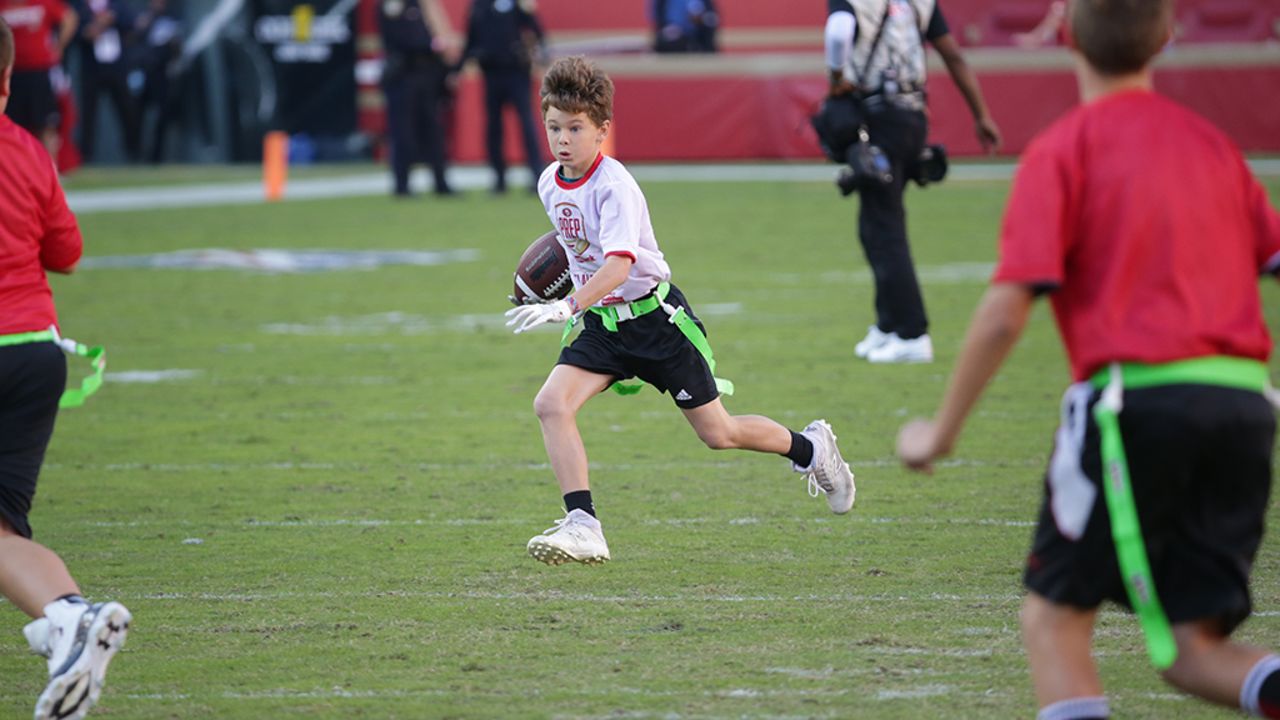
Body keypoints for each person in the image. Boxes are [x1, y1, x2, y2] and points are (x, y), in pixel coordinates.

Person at [896, 0, 1280, 717]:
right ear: (1165, 36)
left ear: (1065, 33)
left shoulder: (1065, 148)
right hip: (1246, 404)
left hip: (1137, 404)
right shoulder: (1211, 145)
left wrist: (939, 433)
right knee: (1192, 650)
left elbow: (1007, 310)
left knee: (1054, 619)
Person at [504, 56, 856, 566]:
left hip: (655, 321)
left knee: (719, 433)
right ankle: (584, 525)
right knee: (551, 405)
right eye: (554, 126)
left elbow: (619, 265)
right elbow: (575, 249)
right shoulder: (549, 183)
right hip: (603, 324)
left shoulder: (614, 186)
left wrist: (566, 304)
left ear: (603, 130)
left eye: (575, 128)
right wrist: (539, 293)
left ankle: (811, 449)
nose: (562, 138)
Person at [0, 19, 131, 720]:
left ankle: (65, 624)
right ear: (7, 81)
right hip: (34, 351)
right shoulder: (24, 148)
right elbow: (67, 250)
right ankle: (68, 619)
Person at [825, 0, 1001, 364]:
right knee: (874, 223)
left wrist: (837, 76)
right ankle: (887, 324)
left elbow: (839, 30)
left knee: (885, 227)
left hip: (876, 117)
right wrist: (981, 115)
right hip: (912, 116)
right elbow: (952, 55)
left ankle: (912, 332)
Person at [456, 0, 545, 195]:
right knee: (494, 127)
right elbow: (471, 38)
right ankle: (499, 177)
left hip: (517, 72)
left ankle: (537, 174)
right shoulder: (479, 6)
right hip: (491, 73)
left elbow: (535, 30)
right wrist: (457, 67)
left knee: (527, 124)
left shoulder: (516, 4)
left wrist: (539, 54)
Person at [378, 0, 456, 197]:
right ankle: (402, 185)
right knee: (403, 133)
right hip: (404, 76)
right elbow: (401, 38)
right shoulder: (393, 4)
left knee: (433, 132)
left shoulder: (424, 5)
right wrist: (430, 45)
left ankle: (441, 183)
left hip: (427, 76)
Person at [0, 0, 76, 158]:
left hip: (39, 71)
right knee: (10, 127)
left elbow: (69, 18)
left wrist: (59, 46)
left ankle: (51, 170)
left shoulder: (42, 2)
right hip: (11, 74)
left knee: (46, 125)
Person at [74, 0, 140, 163]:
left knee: (127, 110)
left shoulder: (116, 4)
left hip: (117, 66)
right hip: (92, 67)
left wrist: (111, 19)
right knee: (89, 114)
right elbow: (72, 29)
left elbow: (131, 22)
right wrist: (87, 31)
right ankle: (86, 157)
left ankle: (134, 153)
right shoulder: (79, 5)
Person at [651, 0, 718, 53]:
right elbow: (658, 17)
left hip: (697, 31)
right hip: (673, 30)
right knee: (666, 39)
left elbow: (711, 15)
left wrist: (701, 18)